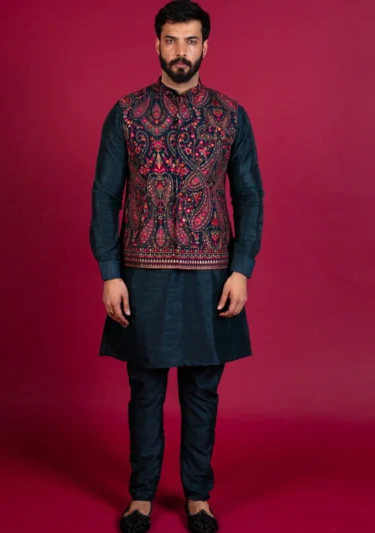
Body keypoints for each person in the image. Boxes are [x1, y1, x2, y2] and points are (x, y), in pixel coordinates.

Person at [89, 1, 264, 531]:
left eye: (190, 41)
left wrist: (242, 268)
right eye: (171, 40)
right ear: (157, 44)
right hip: (141, 275)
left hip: (212, 275)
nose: (180, 51)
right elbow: (105, 195)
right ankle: (141, 496)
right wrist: (110, 272)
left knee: (202, 390)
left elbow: (249, 195)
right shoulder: (126, 113)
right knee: (145, 389)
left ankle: (198, 496)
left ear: (206, 46)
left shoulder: (231, 116)